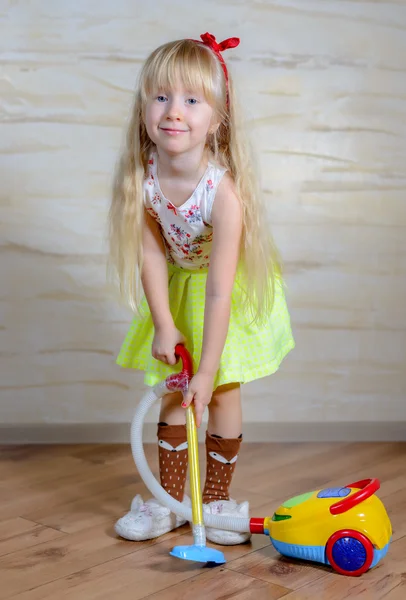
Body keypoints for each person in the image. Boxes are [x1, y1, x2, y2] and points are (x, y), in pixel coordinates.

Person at [110, 32, 295, 545]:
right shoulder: (142, 180)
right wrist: (165, 323)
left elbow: (218, 286)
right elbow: (150, 253)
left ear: (216, 119)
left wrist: (210, 370)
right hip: (177, 288)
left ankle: (213, 501)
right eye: (162, 96)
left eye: (192, 100)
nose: (174, 111)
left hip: (224, 293)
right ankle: (172, 502)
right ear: (144, 107)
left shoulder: (224, 192)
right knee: (175, 390)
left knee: (221, 393)